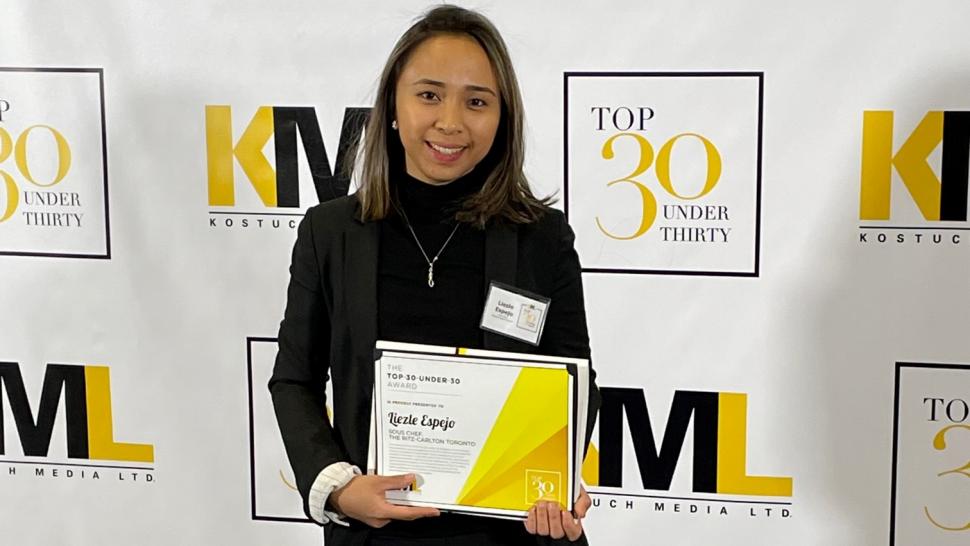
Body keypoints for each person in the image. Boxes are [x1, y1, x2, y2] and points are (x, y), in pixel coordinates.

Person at [269, 5, 600, 545]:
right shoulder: (329, 233)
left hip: (513, 534)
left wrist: (557, 479)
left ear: (502, 117)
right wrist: (336, 488)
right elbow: (294, 379)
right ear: (393, 107)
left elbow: (574, 383)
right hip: (375, 534)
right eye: (429, 94)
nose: (450, 122)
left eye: (476, 101)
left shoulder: (542, 238)